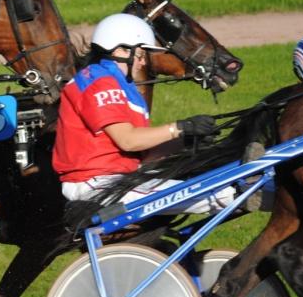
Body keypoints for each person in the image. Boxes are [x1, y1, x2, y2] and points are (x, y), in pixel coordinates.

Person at [52, 13, 232, 213]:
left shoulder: (117, 83)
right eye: (140, 55)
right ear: (119, 50)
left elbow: (142, 155)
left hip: (118, 178)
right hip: (96, 185)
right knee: (220, 194)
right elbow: (128, 141)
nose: (143, 63)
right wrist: (180, 127)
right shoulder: (99, 82)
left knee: (213, 178)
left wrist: (185, 140)